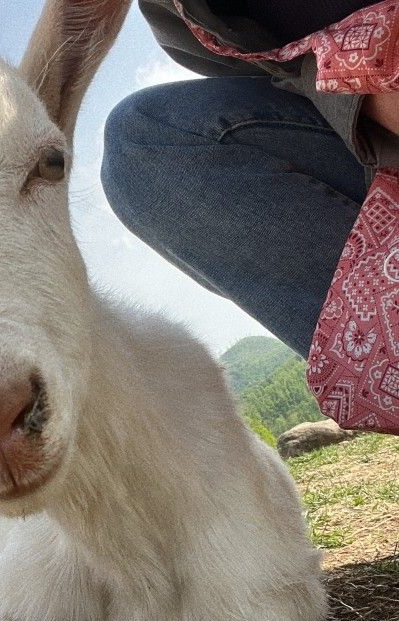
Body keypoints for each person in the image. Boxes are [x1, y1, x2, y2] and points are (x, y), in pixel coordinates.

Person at [101, 1, 399, 358]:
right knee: (141, 145)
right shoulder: (178, 18)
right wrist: (361, 91)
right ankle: (380, 350)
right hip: (370, 126)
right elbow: (289, 72)